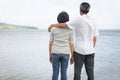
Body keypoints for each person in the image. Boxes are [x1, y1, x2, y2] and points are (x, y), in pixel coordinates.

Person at [48, 2, 99, 80]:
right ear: (88, 10)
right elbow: (94, 38)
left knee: (75, 73)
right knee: (90, 72)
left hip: (78, 51)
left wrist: (52, 25)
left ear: (80, 10)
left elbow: (64, 25)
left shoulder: (78, 19)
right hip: (89, 51)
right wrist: (90, 47)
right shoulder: (93, 21)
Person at [49, 11, 74, 80]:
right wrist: (72, 56)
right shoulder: (70, 30)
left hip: (55, 52)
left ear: (58, 19)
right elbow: (71, 44)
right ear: (67, 20)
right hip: (65, 53)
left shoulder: (53, 29)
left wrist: (50, 54)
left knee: (55, 73)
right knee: (64, 73)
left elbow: (50, 43)